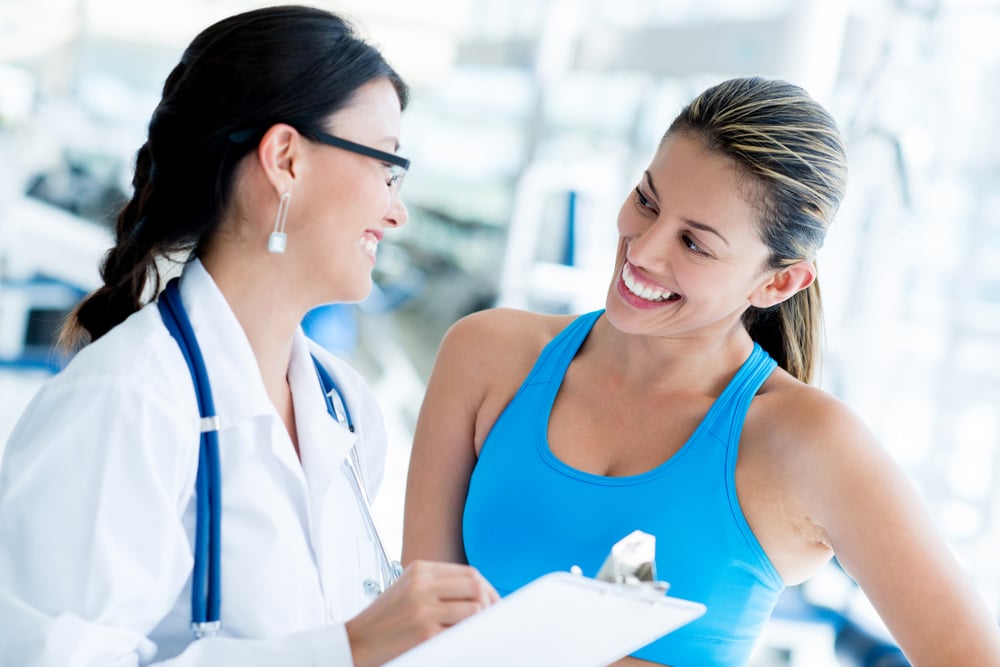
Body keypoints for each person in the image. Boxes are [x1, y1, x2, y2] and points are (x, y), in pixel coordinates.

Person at [401, 76, 1000, 665]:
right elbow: (413, 629)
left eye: (695, 243)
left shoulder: (809, 444)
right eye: (647, 201)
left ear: (778, 282)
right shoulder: (487, 354)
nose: (643, 249)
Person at [0, 6, 497, 666]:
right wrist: (346, 647)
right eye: (386, 165)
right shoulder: (126, 403)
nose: (397, 209)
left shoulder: (344, 408)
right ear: (286, 159)